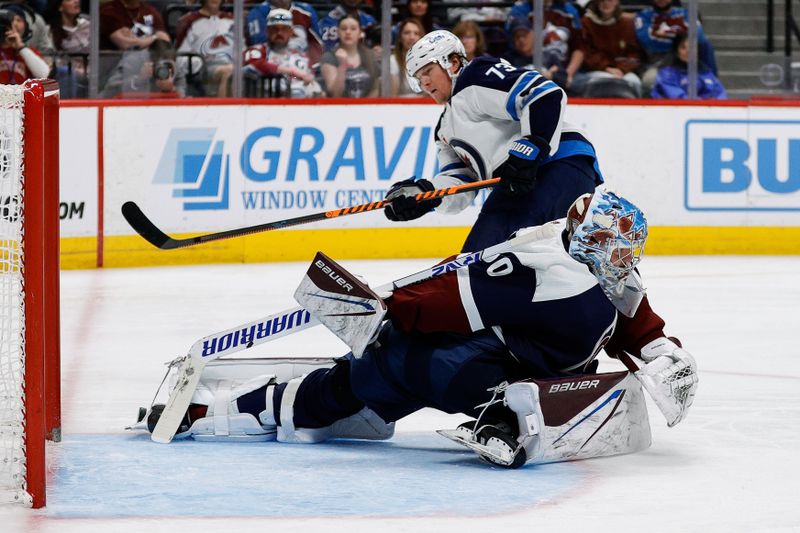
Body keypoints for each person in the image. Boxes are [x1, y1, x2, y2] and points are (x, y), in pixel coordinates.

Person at [138, 189, 698, 468]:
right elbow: (452, 300)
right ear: (583, 239)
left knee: (352, 397)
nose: (620, 258)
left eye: (625, 249)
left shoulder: (604, 270)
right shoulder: (541, 269)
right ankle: (208, 414)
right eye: (609, 245)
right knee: (356, 385)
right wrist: (394, 305)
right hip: (466, 362)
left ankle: (503, 417)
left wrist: (661, 351)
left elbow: (635, 320)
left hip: (511, 370)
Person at [383, 29, 600, 256]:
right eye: (418, 79)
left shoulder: (475, 75)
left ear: (453, 63)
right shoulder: (443, 130)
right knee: (476, 261)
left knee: (480, 266)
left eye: (428, 71)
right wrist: (426, 196)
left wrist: (531, 148)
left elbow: (543, 94)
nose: (425, 82)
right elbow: (461, 181)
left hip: (558, 165)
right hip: (516, 186)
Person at [634, 0, 717, 95]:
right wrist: (679, 36)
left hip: (685, 60)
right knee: (650, 80)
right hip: (659, 62)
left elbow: (699, 37)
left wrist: (662, 35)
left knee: (705, 44)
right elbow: (649, 42)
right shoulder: (643, 16)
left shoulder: (686, 13)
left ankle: (712, 83)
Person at [505, 0, 585, 95]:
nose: (521, 39)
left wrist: (567, 75)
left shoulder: (570, 11)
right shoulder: (520, 10)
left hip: (564, 69)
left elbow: (579, 47)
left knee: (588, 84)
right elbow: (516, 45)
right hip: (528, 67)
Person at [243, 8, 323, 98]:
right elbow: (254, 64)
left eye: (284, 29)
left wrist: (315, 89)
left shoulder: (300, 57)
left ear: (291, 32)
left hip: (295, 105)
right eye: (274, 29)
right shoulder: (258, 50)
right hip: (263, 104)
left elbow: (305, 80)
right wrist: (292, 72)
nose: (279, 33)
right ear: (267, 31)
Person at [581, 0, 644, 98]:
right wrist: (606, 67)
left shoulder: (626, 23)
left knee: (634, 81)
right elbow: (587, 52)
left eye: (610, 0)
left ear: (617, 2)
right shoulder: (586, 22)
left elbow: (633, 53)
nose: (606, 3)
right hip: (596, 70)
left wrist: (622, 69)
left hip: (622, 71)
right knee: (605, 80)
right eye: (602, 0)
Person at [175, 0, 235, 97]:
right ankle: (224, 111)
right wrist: (198, 64)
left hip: (232, 64)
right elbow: (180, 55)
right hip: (204, 68)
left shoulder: (231, 20)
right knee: (228, 72)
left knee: (234, 71)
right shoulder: (189, 21)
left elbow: (243, 48)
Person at [245, 0, 322, 67]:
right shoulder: (258, 12)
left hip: (302, 64)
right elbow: (258, 45)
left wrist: (314, 66)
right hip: (271, 67)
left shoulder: (306, 10)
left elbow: (317, 44)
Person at [100, 37, 186, 98]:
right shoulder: (133, 61)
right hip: (128, 108)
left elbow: (183, 95)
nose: (163, 69)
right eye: (159, 65)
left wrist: (172, 89)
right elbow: (110, 91)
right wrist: (139, 79)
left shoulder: (173, 65)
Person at [651, 32, 726, 100]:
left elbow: (720, 95)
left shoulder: (706, 72)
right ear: (677, 51)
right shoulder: (667, 74)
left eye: (692, 47)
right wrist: (703, 103)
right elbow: (677, 97)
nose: (688, 51)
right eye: (683, 48)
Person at [320, 14, 378, 98]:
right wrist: (342, 66)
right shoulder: (329, 57)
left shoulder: (369, 55)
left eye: (353, 29)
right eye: (344, 29)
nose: (348, 32)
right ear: (338, 32)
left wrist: (366, 106)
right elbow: (335, 94)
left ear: (360, 33)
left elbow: (377, 87)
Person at [46, 0, 89, 98]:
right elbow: (50, 59)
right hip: (66, 74)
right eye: (70, 0)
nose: (76, 1)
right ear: (60, 7)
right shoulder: (50, 31)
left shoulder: (88, 26)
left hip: (90, 72)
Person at [0, 4, 49, 83]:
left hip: (22, 94)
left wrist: (21, 47)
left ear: (26, 26)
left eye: (19, 20)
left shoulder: (29, 52)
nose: (15, 24)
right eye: (10, 21)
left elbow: (44, 75)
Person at [389, 17, 424, 97]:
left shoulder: (428, 62)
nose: (412, 37)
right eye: (407, 33)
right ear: (400, 38)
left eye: (416, 33)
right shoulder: (393, 61)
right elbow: (392, 97)